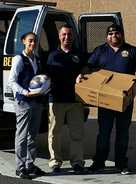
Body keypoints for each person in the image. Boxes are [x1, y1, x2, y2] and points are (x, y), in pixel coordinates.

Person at [78, 24, 136, 174]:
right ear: (106, 36)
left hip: (124, 101)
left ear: (121, 34)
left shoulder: (132, 50)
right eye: (110, 34)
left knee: (123, 132)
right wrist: (81, 75)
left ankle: (121, 163)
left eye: (116, 33)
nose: (113, 36)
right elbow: (88, 66)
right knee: (104, 132)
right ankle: (99, 162)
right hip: (105, 101)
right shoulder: (100, 50)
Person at [47, 24, 85, 174]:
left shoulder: (79, 55)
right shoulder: (52, 56)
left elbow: (87, 69)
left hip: (75, 100)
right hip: (56, 100)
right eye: (64, 34)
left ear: (73, 36)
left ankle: (77, 162)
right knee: (54, 133)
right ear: (59, 36)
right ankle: (55, 161)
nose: (67, 37)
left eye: (69, 35)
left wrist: (83, 72)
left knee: (77, 134)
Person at [8, 32, 45, 179]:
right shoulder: (19, 59)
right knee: (22, 136)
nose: (32, 43)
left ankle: (30, 164)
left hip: (36, 102)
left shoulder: (36, 59)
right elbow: (12, 81)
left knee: (33, 136)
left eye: (35, 41)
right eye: (30, 41)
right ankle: (20, 167)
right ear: (23, 41)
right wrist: (24, 92)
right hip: (24, 102)